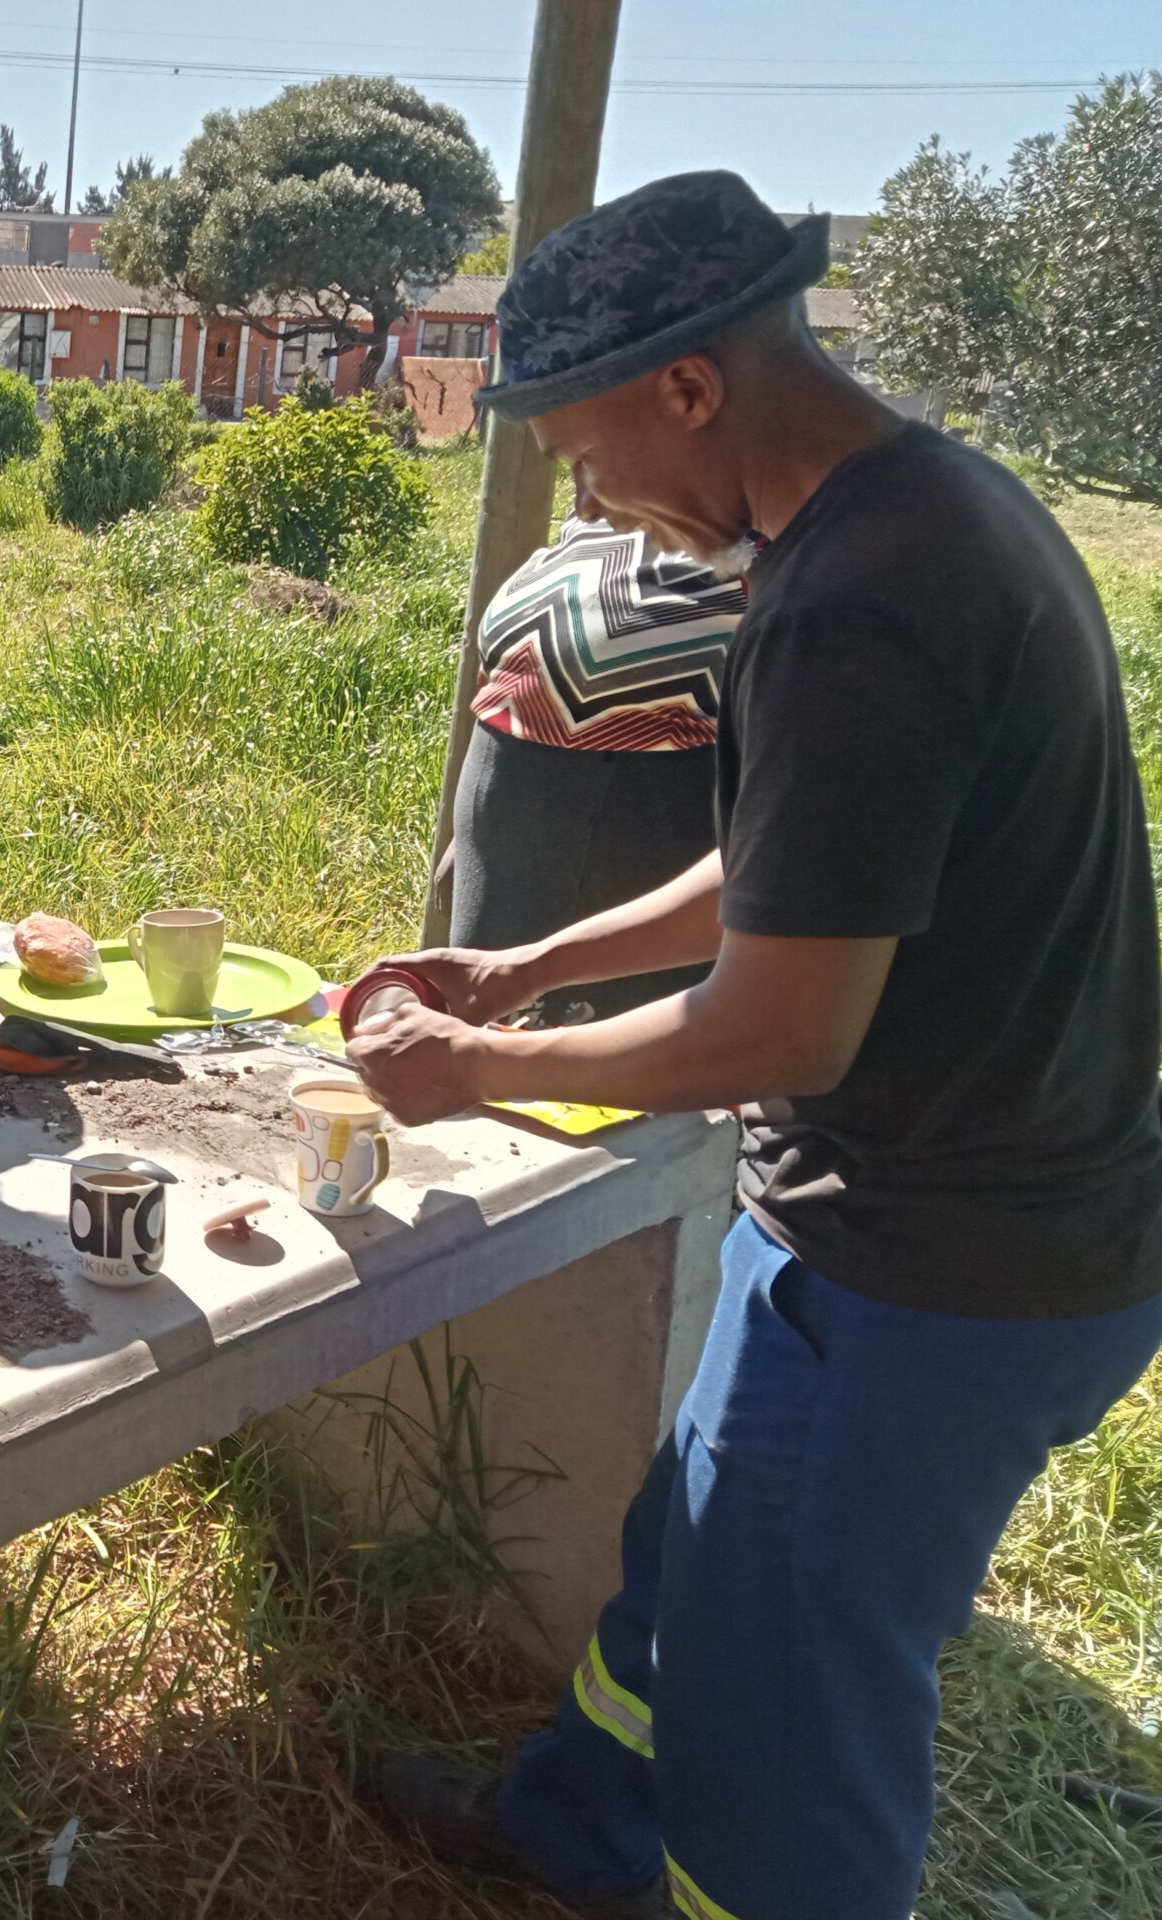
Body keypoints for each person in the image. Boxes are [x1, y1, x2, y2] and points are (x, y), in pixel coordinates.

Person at [355, 171, 1162, 1920]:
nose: (600, 505)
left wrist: (473, 1074)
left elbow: (783, 1019)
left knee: (785, 1721)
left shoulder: (866, 600)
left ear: (691, 388)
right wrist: (523, 966)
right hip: (940, 1227)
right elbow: (796, 863)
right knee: (685, 1582)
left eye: (583, 456)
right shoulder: (910, 513)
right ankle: (574, 1832)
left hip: (935, 1268)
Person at [450, 480, 748, 1022]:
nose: (583, 490)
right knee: (483, 1064)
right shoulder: (619, 499)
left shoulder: (790, 547)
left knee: (598, 1084)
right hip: (509, 830)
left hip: (653, 852)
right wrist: (472, 836)